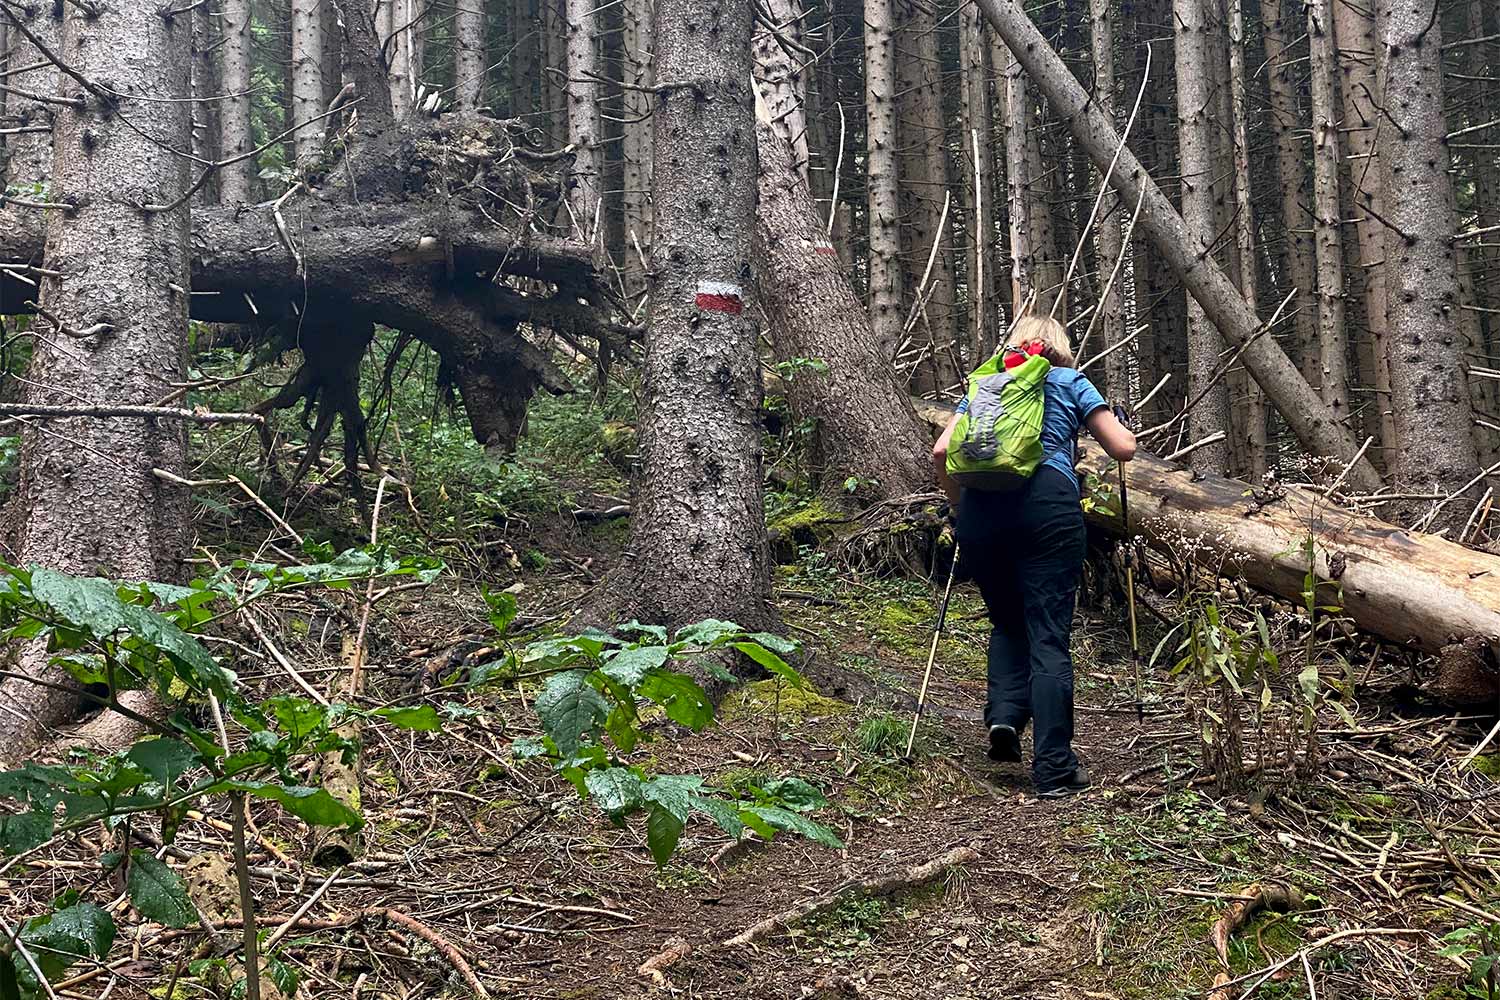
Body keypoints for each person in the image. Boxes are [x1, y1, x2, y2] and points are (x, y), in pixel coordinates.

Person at [931, 316, 1136, 798]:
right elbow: (1122, 448)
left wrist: (961, 508)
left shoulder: (986, 385)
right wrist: (1115, 423)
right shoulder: (1068, 380)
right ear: (1060, 348)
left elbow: (942, 452)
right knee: (1048, 634)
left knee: (1006, 622)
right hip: (1048, 508)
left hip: (982, 511)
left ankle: (1003, 719)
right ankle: (1054, 768)